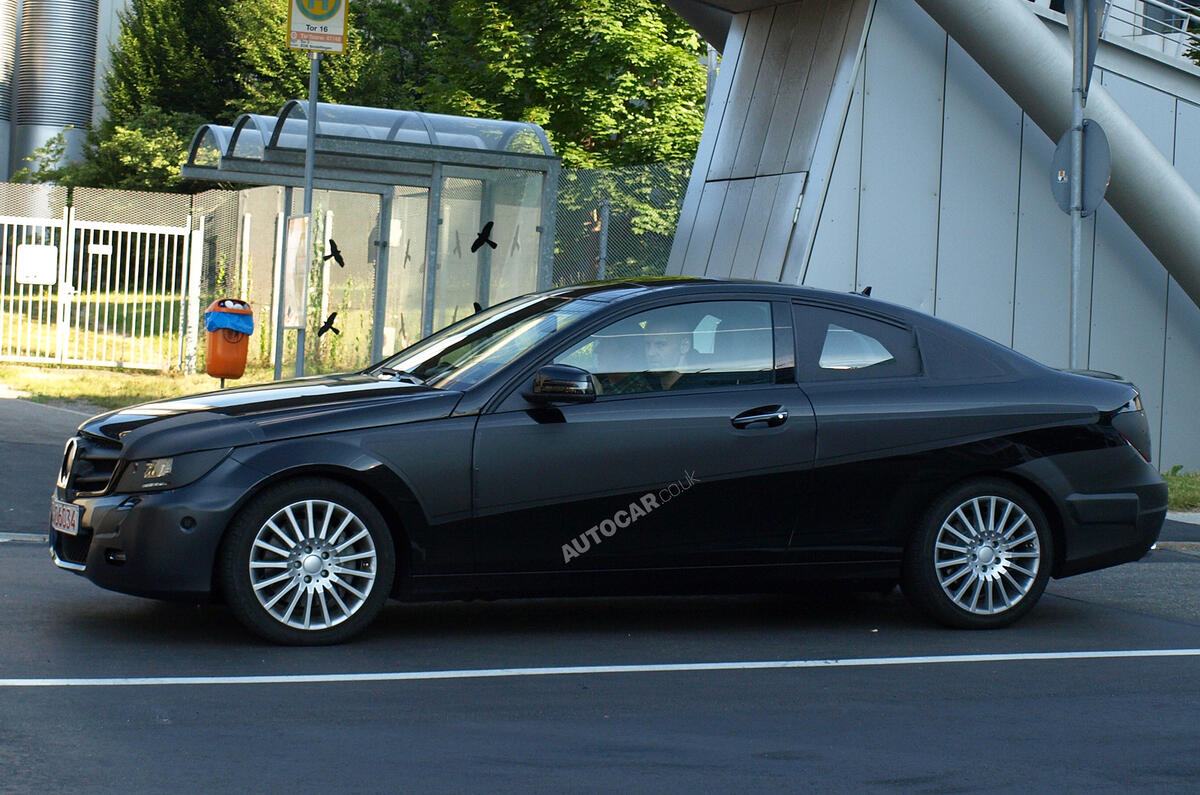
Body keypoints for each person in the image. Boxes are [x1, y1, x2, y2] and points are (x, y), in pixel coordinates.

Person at [643, 314, 694, 389]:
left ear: (684, 346)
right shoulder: (643, 384)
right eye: (647, 344)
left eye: (660, 344)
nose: (650, 353)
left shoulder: (698, 391)